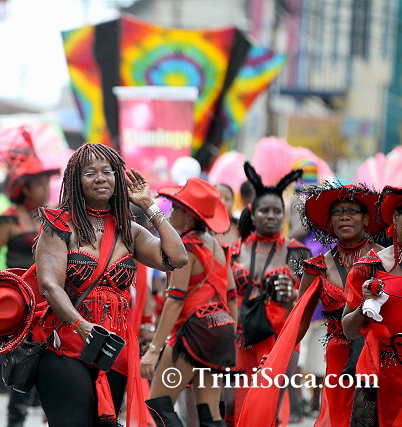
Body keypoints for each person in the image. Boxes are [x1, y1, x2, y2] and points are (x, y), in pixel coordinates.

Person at [30, 143, 188, 427]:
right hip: (66, 344)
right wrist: (81, 326)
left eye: (107, 171)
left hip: (112, 350)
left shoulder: (129, 231)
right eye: (90, 173)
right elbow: (49, 285)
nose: (100, 178)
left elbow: (177, 258)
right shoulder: (59, 226)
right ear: (75, 181)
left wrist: (149, 205)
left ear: (118, 178)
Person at [238, 183, 384, 426]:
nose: (345, 216)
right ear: (329, 222)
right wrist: (275, 357)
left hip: (381, 354)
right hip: (339, 359)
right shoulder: (317, 267)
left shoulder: (385, 260)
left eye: (352, 210)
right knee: (339, 419)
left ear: (366, 219)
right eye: (338, 212)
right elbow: (299, 321)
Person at [140, 177, 237, 427]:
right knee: (211, 413)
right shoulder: (219, 246)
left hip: (195, 332)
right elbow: (232, 296)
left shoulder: (186, 247)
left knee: (158, 405)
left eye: (176, 209)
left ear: (189, 216)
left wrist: (154, 350)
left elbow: (176, 299)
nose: (171, 214)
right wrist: (231, 334)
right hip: (221, 330)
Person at [0, 131, 59, 427]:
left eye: (46, 182)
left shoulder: (53, 219)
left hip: (51, 303)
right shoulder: (6, 219)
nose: (45, 188)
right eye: (39, 183)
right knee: (21, 368)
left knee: (51, 368)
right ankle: (14, 422)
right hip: (18, 305)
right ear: (24, 188)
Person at [230, 162, 311, 425]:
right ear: (252, 214)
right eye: (264, 210)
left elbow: (306, 299)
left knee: (269, 407)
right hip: (241, 338)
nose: (271, 216)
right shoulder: (234, 250)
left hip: (280, 339)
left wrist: (291, 295)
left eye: (277, 211)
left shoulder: (297, 252)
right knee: (235, 406)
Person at [342, 185, 402, 426]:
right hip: (376, 377)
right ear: (395, 219)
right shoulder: (369, 267)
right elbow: (349, 330)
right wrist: (364, 305)